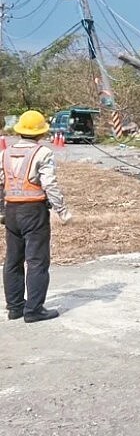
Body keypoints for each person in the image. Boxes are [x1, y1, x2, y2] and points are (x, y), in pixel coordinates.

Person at [0, 110, 71, 323]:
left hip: (11, 210)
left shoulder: (5, 153)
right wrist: (63, 211)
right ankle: (34, 310)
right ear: (41, 132)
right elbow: (50, 184)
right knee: (37, 261)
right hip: (33, 212)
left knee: (12, 260)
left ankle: (15, 307)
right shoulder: (43, 153)